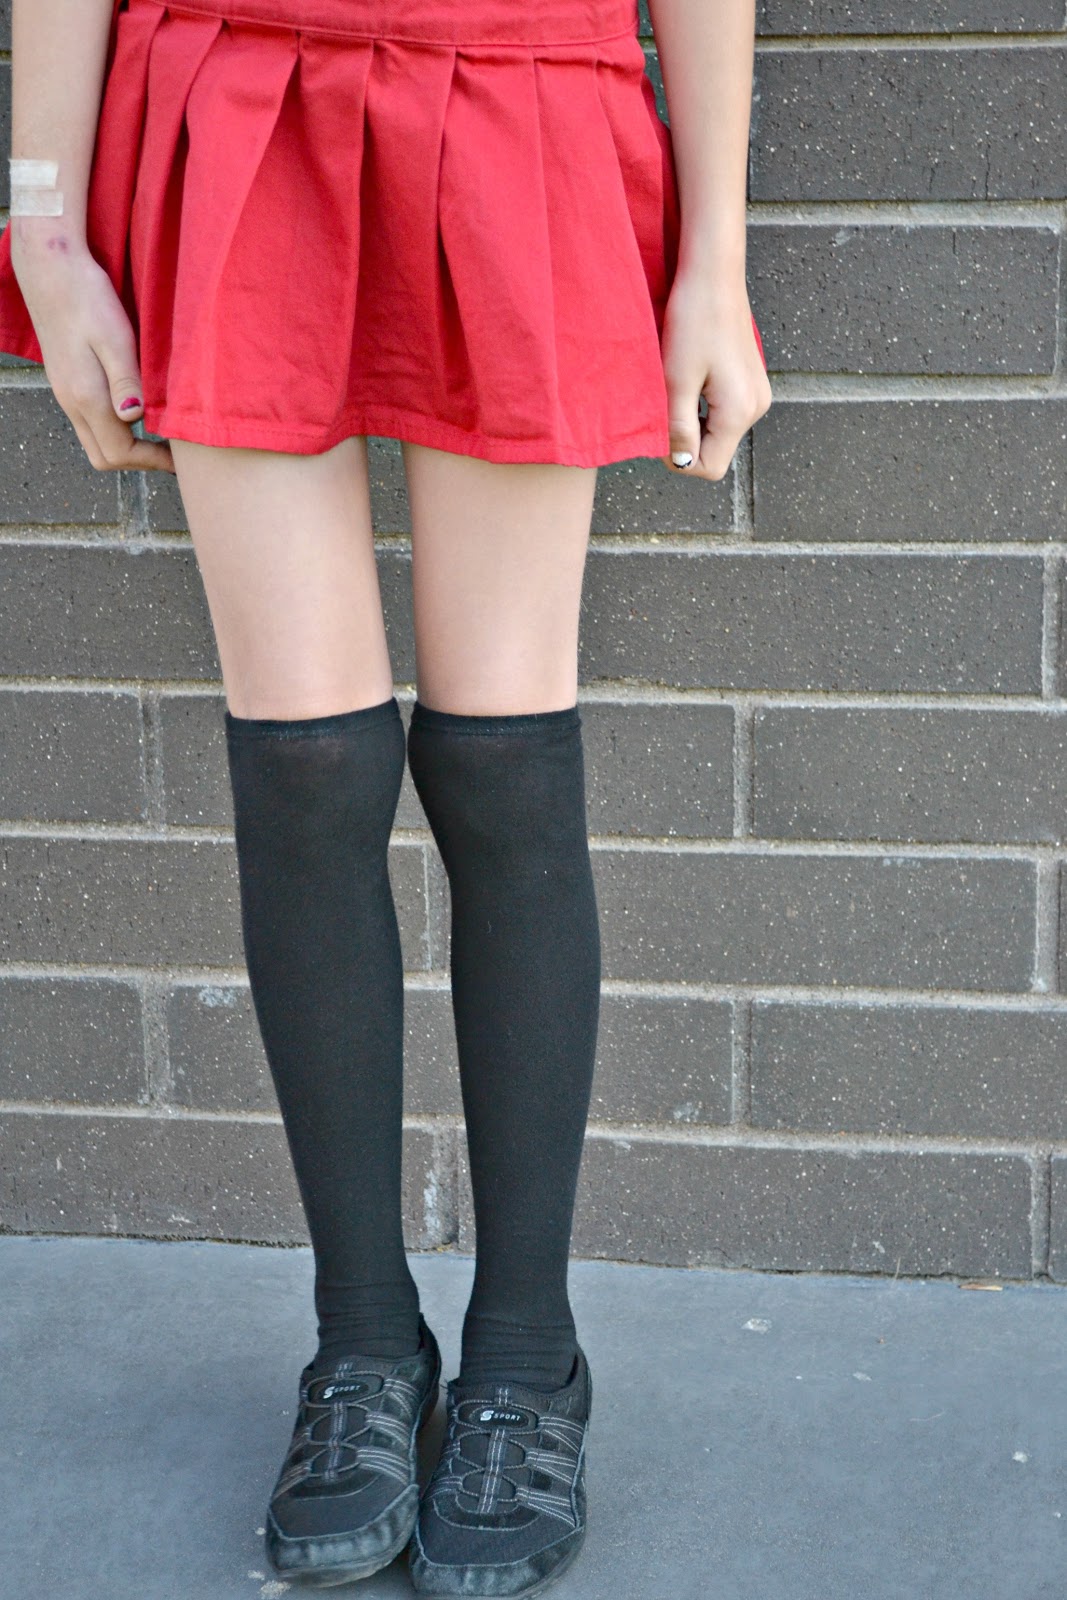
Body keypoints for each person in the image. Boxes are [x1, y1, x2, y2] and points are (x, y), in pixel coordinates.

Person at [0, 0, 771, 1592]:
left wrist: (716, 256)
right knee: (304, 769)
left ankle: (526, 1354)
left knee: (505, 763)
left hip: (521, 98)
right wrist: (42, 221)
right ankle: (362, 1341)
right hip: (237, 97)